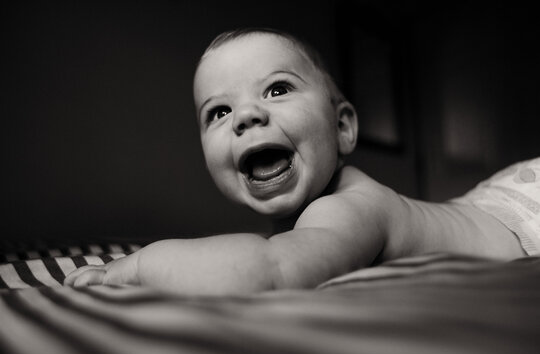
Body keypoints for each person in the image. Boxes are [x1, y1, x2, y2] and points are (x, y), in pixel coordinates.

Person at [64, 28, 536, 295]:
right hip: (481, 204)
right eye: (219, 112)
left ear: (342, 127)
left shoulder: (350, 205)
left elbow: (267, 270)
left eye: (278, 88)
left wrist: (136, 266)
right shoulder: (312, 220)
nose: (246, 116)